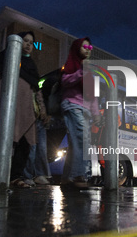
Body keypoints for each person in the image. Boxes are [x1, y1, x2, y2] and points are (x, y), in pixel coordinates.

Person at [0, 31, 48, 188]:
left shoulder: (31, 65)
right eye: (25, 41)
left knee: (25, 144)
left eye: (31, 42)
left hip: (27, 109)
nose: (28, 44)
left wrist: (42, 109)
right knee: (2, 138)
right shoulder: (5, 56)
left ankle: (15, 176)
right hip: (8, 104)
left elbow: (36, 88)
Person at [60, 37, 100, 189]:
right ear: (77, 49)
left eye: (90, 47)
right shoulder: (71, 65)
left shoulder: (90, 72)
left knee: (75, 143)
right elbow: (65, 81)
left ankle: (67, 177)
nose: (88, 50)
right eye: (84, 47)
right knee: (82, 139)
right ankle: (78, 175)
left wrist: (96, 114)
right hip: (72, 104)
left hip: (86, 110)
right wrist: (81, 71)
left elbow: (93, 95)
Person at [23, 119, 52, 186]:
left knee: (41, 148)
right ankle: (27, 175)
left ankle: (39, 174)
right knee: (31, 147)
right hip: (30, 117)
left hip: (39, 118)